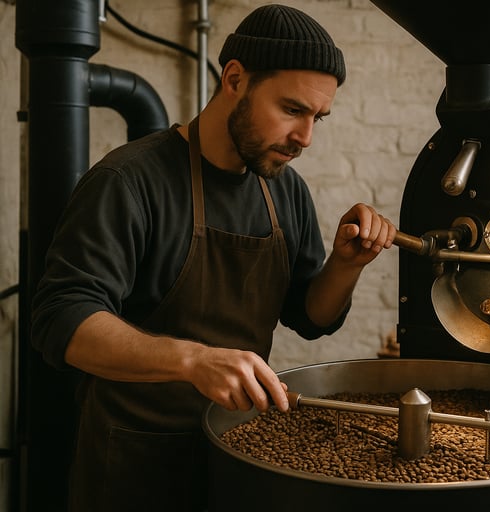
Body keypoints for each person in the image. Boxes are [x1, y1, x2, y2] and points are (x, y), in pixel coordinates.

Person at [30, 4, 396, 511]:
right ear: (235, 78)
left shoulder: (285, 191)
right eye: (292, 110)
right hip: (134, 465)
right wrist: (192, 359)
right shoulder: (129, 181)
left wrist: (346, 264)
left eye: (317, 118)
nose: (305, 138)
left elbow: (311, 318)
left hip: (238, 454)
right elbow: (60, 320)